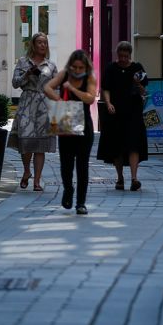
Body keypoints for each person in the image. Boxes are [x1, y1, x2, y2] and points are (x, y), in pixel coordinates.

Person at [43, 50, 97, 215]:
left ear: (85, 67)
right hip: (66, 122)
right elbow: (47, 87)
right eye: (74, 67)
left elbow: (90, 98)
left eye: (81, 67)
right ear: (70, 65)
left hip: (84, 126)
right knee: (66, 164)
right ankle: (68, 189)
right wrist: (59, 99)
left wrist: (73, 89)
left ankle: (81, 203)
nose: (77, 70)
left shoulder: (90, 77)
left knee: (82, 165)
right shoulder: (64, 74)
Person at [97, 41, 149, 191]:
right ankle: (120, 178)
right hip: (115, 112)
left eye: (126, 56)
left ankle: (134, 178)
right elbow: (105, 88)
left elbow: (144, 91)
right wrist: (108, 103)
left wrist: (138, 84)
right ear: (117, 55)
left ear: (130, 55)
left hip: (133, 111)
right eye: (121, 56)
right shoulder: (111, 68)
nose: (123, 59)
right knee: (117, 146)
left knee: (134, 144)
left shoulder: (137, 68)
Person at [10, 32, 57, 191]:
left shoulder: (51, 66)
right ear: (33, 45)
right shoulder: (23, 62)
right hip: (27, 103)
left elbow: (56, 87)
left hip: (44, 105)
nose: (43, 45)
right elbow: (15, 83)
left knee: (40, 145)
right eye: (39, 43)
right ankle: (26, 171)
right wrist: (27, 73)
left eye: (45, 43)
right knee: (26, 141)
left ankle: (37, 181)